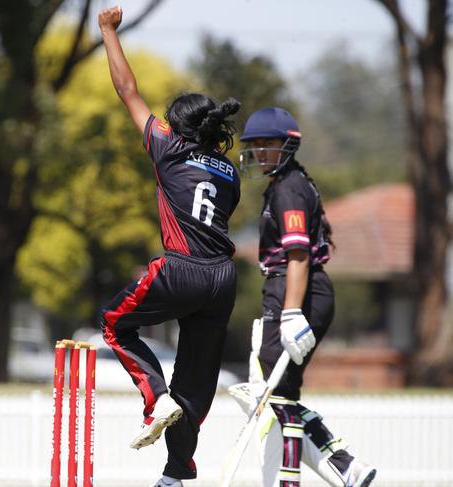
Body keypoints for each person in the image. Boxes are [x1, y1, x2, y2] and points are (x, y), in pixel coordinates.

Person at [97, 6, 241, 487]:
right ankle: (176, 474)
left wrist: (107, 31)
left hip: (181, 268)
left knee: (115, 323)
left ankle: (154, 398)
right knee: (195, 385)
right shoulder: (231, 173)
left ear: (178, 128)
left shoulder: (168, 147)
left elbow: (127, 90)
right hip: (222, 278)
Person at [230, 106, 376, 487]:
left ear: (288, 146)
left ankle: (306, 475)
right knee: (276, 395)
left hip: (295, 288)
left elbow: (298, 254)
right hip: (295, 288)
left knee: (269, 393)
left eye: (268, 143)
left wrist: (292, 312)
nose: (260, 152)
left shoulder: (289, 188)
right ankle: (341, 465)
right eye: (255, 145)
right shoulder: (287, 184)